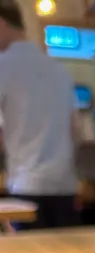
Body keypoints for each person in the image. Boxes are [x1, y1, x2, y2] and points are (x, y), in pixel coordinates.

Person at [0, 2, 78, 229]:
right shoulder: (58, 69)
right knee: (65, 251)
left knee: (31, 251)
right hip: (65, 185)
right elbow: (76, 131)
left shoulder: (4, 65)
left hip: (27, 186)